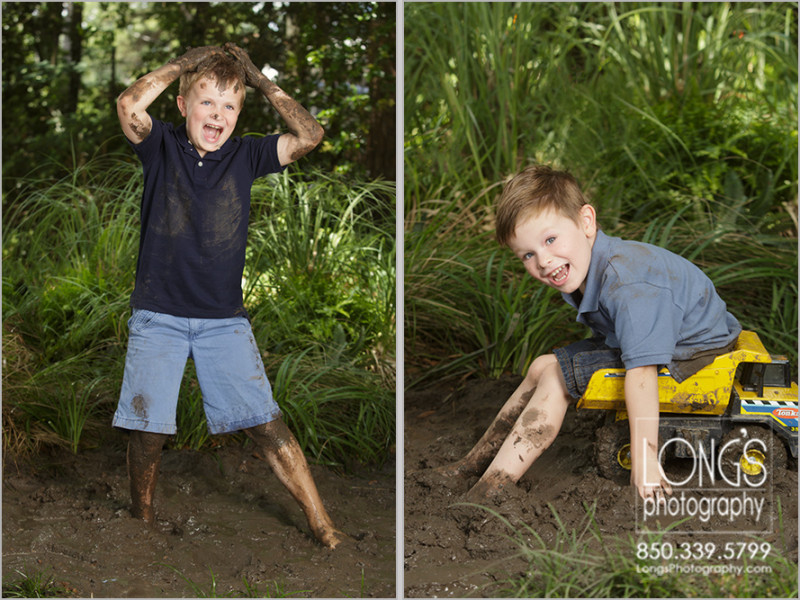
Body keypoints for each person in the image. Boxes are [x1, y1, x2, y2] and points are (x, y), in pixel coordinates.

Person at [113, 43, 345, 548]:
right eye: (206, 102)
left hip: (223, 320)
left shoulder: (248, 154)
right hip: (158, 315)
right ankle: (142, 522)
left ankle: (323, 524)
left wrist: (261, 81)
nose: (217, 115)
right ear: (182, 106)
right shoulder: (161, 148)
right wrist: (182, 65)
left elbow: (311, 135)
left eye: (229, 106)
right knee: (147, 429)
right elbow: (130, 105)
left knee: (267, 425)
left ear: (239, 114)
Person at [438, 165, 741, 501]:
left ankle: (491, 489)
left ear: (586, 222)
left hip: (691, 349)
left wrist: (645, 460)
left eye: (550, 240)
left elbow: (642, 373)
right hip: (676, 334)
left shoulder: (627, 283)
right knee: (542, 366)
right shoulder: (590, 263)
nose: (544, 261)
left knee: (556, 379)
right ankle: (474, 463)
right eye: (528, 254)